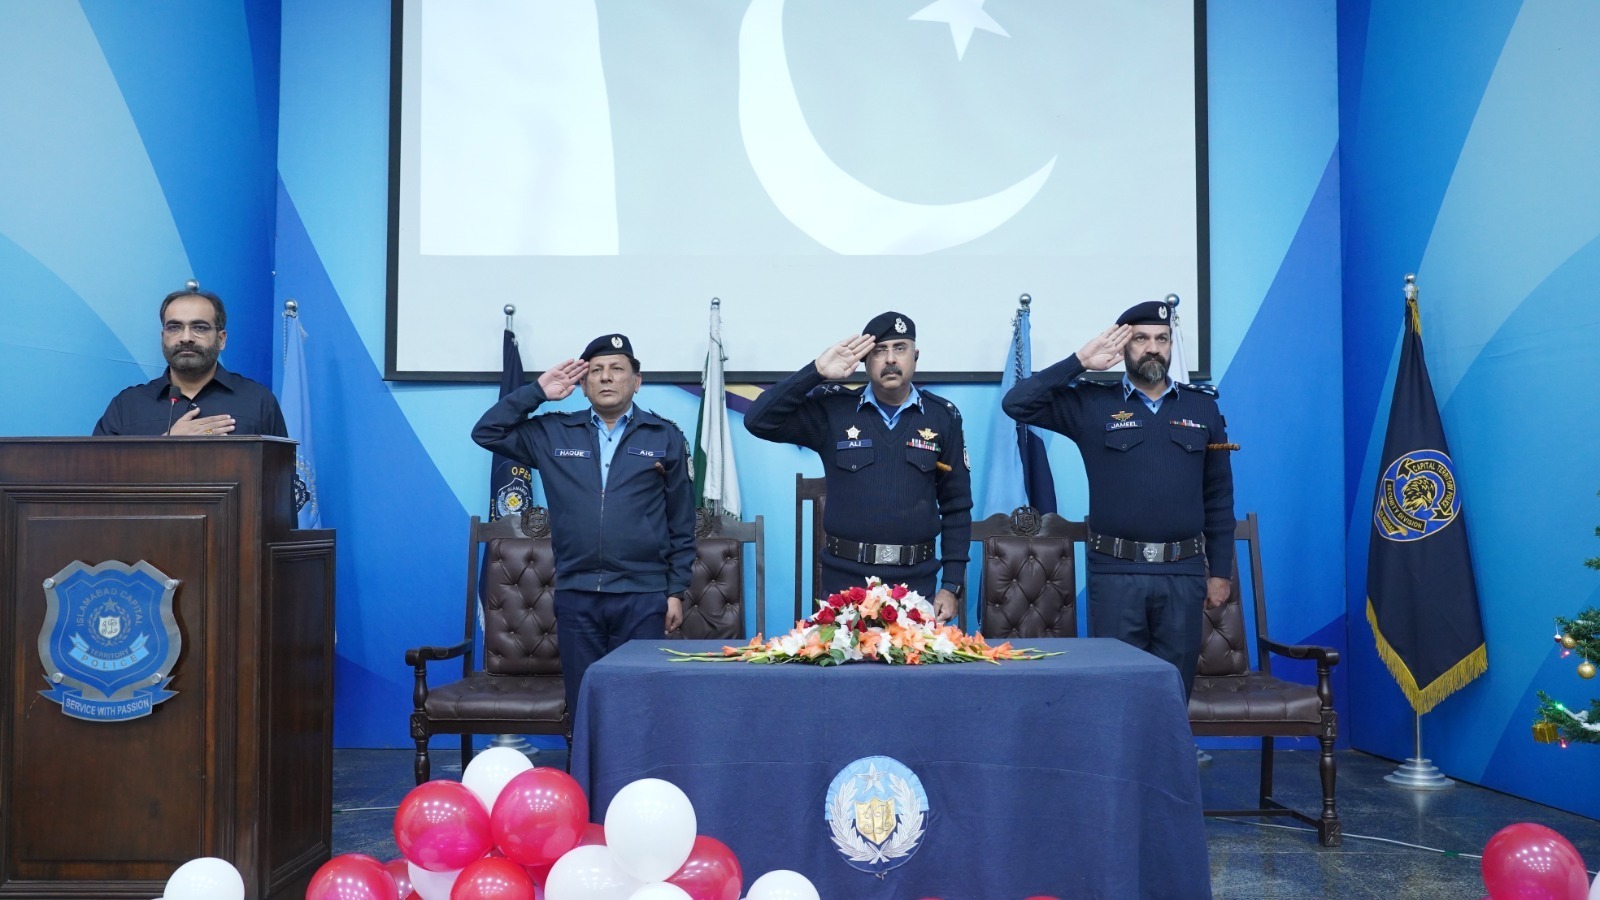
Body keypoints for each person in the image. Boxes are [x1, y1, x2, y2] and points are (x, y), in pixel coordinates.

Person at [1003, 300, 1234, 697]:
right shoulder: (1093, 403)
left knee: (1174, 690)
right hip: (1115, 574)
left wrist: (1220, 573)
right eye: (1141, 339)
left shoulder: (1202, 408)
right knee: (1116, 690)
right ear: (1124, 346)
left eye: (1162, 339)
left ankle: (1170, 743)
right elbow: (1016, 403)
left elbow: (1219, 495)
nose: (1153, 348)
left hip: (1182, 573)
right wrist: (1079, 362)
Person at [472, 333, 694, 717]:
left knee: (641, 703)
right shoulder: (552, 433)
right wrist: (537, 392)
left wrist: (675, 591)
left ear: (636, 382)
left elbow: (681, 520)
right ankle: (584, 760)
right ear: (583, 384)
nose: (606, 377)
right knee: (584, 702)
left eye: (617, 369)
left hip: (643, 596)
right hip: (578, 594)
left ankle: (636, 762)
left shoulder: (665, 436)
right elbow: (487, 431)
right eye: (595, 370)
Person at [745, 312, 971, 623]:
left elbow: (957, 506)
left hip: (917, 586)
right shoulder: (834, 411)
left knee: (917, 658)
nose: (890, 359)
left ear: (916, 356)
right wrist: (816, 371)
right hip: (845, 587)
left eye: (900, 348)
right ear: (865, 360)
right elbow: (758, 420)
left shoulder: (942, 417)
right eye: (879, 351)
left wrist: (951, 585)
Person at [94, 288, 287, 437]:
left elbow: (280, 473)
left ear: (221, 339)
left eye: (199, 328)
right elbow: (99, 472)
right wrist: (164, 444)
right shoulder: (127, 406)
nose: (186, 338)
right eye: (174, 327)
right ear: (163, 337)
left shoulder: (258, 401)